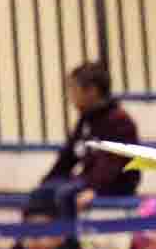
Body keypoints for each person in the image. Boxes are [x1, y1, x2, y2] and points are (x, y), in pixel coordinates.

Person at [41, 62, 141, 206]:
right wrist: (46, 182)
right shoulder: (86, 119)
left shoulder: (119, 121)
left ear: (92, 91)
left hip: (117, 185)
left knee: (64, 194)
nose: (70, 96)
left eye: (74, 90)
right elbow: (67, 157)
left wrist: (95, 190)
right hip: (88, 180)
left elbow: (112, 165)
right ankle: (39, 228)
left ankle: (67, 229)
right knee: (44, 192)